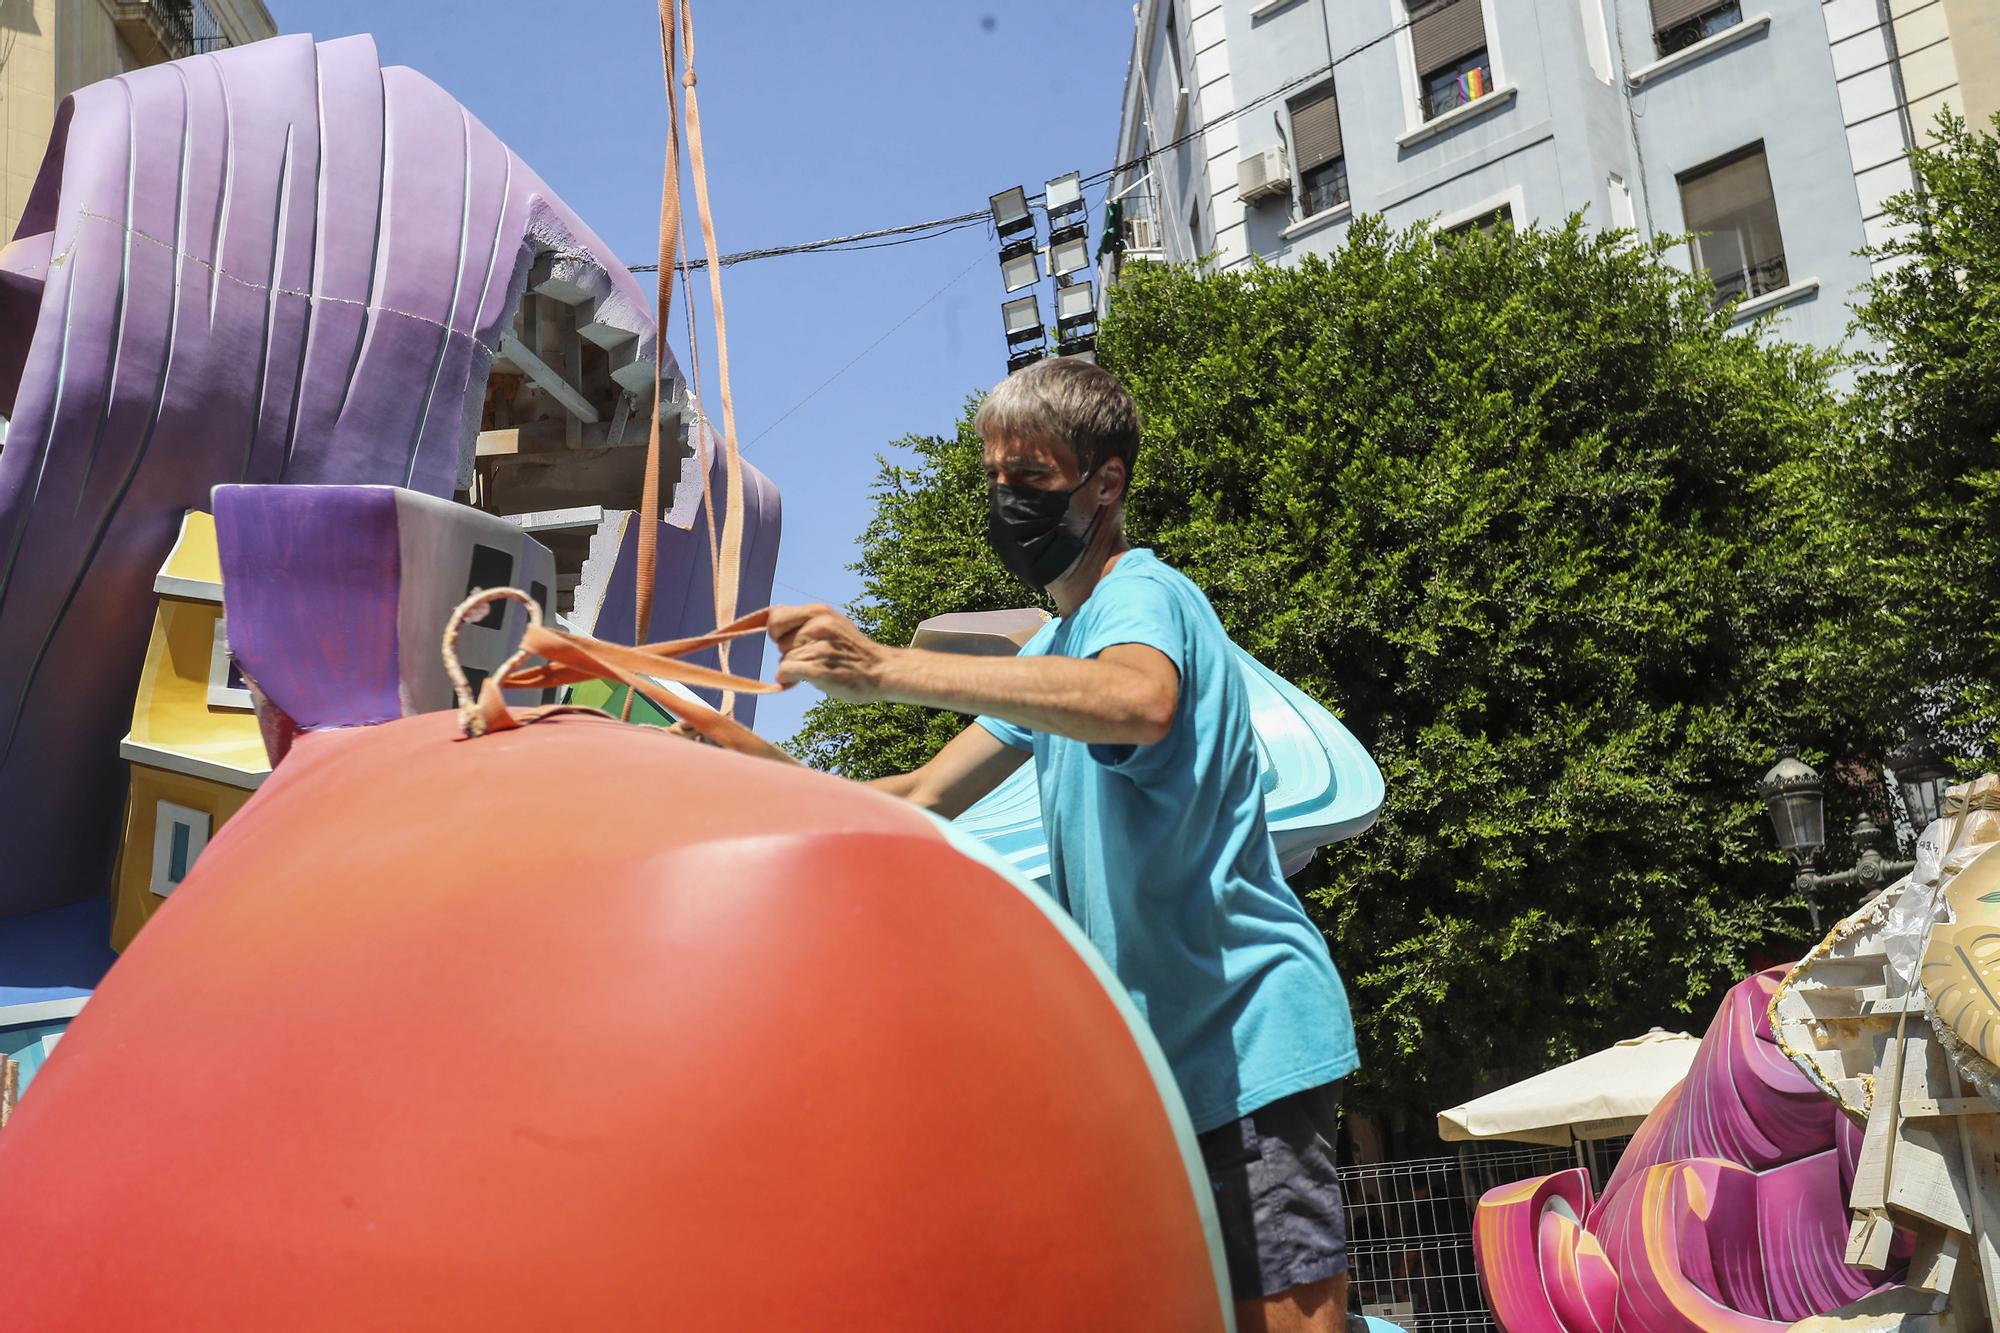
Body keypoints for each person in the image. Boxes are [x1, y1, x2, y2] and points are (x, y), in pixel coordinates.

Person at [766, 357, 1359, 1332]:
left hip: (1245, 1038)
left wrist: (883, 667)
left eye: (1030, 480)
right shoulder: (1056, 650)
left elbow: (1138, 698)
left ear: (1105, 482)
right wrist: (723, 776)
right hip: (1156, 1064)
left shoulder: (1140, 600)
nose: (1007, 503)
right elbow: (916, 795)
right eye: (994, 480)